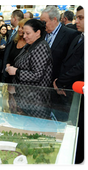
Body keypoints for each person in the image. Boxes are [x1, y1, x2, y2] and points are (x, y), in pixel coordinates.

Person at [53, 4, 85, 165]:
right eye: (77, 17)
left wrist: (60, 81)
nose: (76, 21)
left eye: (81, 18)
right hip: (69, 90)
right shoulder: (79, 36)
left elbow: (80, 66)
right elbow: (68, 62)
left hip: (78, 91)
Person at [6, 19, 52, 87]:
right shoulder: (30, 44)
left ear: (37, 33)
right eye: (24, 33)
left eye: (28, 33)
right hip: (24, 92)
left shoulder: (41, 47)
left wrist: (16, 72)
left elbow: (37, 75)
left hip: (34, 94)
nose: (24, 36)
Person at [40, 6, 80, 81]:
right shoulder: (42, 33)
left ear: (54, 19)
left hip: (57, 80)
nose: (42, 25)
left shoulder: (71, 34)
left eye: (44, 22)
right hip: (41, 81)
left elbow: (70, 62)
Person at [3, 19, 29, 83]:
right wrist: (7, 66)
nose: (19, 29)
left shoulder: (30, 44)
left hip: (22, 79)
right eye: (19, 27)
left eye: (22, 28)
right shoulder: (14, 41)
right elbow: (9, 56)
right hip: (10, 77)